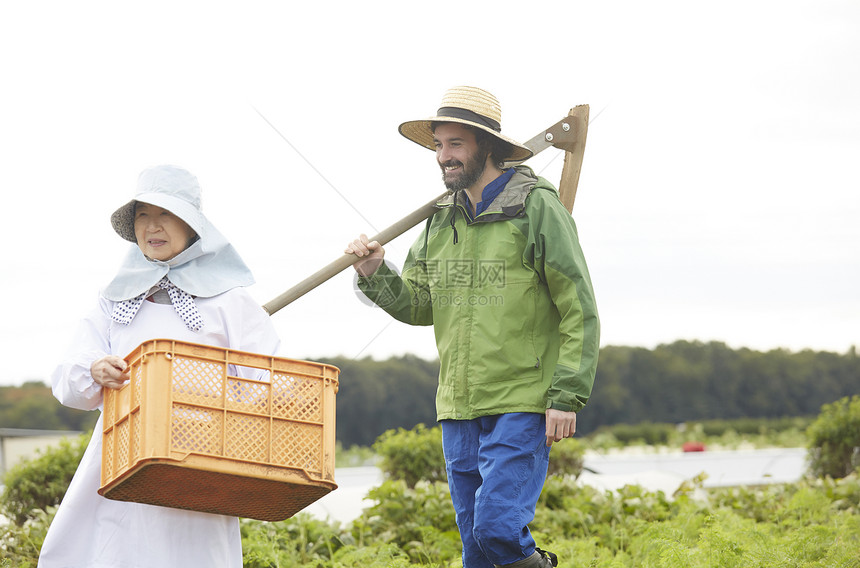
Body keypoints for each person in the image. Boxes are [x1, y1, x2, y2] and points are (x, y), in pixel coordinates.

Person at [345, 86, 600, 568]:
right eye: (439, 145)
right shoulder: (440, 218)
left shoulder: (536, 206)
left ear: (487, 146)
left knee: (498, 529)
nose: (443, 156)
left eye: (455, 144)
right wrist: (376, 271)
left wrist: (566, 395)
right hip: (458, 405)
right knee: (476, 549)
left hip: (523, 399)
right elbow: (421, 305)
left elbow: (578, 306)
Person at [39, 165, 280, 568]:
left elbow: (264, 384)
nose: (153, 226)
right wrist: (96, 370)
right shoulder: (115, 300)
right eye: (142, 216)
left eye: (165, 214)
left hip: (202, 464)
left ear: (192, 224)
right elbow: (68, 377)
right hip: (122, 461)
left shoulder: (230, 302)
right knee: (115, 551)